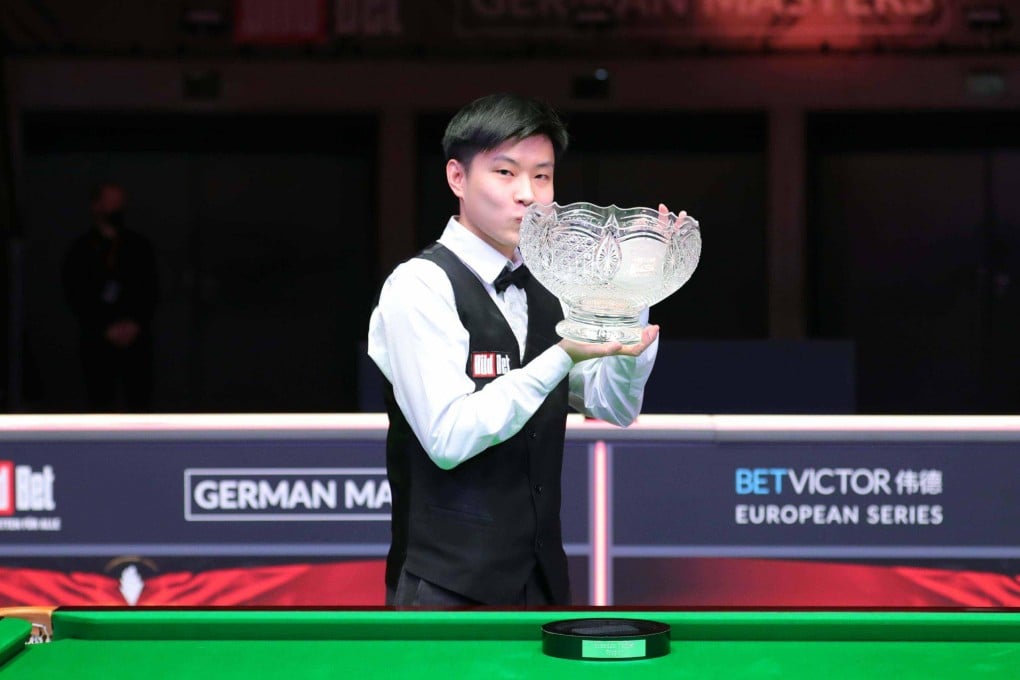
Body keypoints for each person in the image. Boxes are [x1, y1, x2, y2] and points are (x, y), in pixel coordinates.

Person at [368, 93, 666, 607]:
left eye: (542, 176)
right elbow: (448, 437)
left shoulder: (551, 287)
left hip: (543, 585)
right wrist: (562, 354)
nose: (527, 194)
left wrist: (634, 295)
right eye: (505, 173)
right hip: (444, 591)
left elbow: (613, 408)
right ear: (457, 179)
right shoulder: (418, 287)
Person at [62, 182, 159, 412]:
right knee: (99, 402)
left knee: (139, 403)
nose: (116, 208)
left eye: (120, 202)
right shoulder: (82, 249)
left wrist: (134, 323)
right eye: (110, 202)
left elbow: (150, 289)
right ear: (96, 206)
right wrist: (104, 327)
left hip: (135, 339)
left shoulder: (138, 246)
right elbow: (76, 294)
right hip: (98, 339)